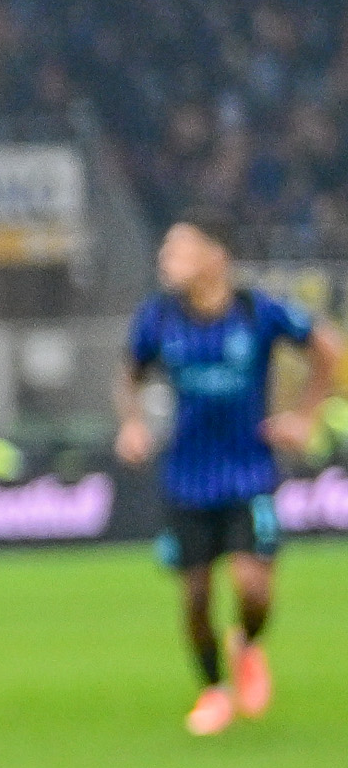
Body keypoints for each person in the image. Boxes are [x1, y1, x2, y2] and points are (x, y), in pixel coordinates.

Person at [118, 221, 339, 735]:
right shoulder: (158, 317)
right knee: (195, 596)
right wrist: (132, 423)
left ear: (215, 255)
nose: (167, 257)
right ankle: (214, 691)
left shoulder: (258, 311)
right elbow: (129, 374)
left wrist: (305, 416)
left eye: (180, 248)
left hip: (249, 474)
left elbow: (326, 349)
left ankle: (247, 642)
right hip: (186, 480)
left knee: (252, 586)